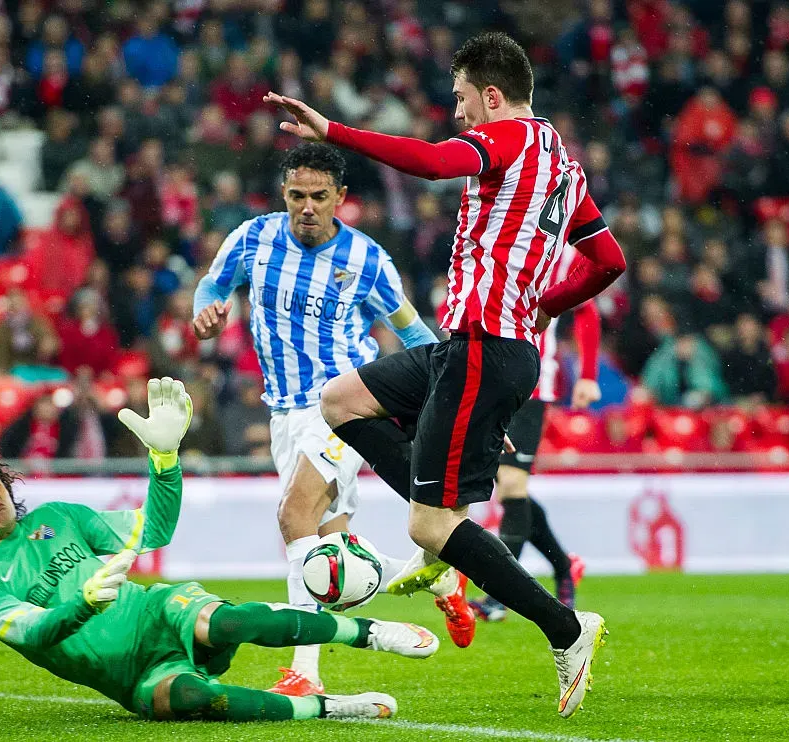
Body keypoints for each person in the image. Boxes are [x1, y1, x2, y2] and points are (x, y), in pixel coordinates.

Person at [265, 31, 626, 718]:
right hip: (475, 345)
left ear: (492, 96)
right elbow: (608, 261)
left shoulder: (510, 139)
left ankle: (565, 628)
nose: (457, 113)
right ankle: (447, 527)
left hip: (486, 347)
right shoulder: (565, 166)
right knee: (340, 400)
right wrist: (548, 306)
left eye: (461, 99)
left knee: (428, 528)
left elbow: (432, 164)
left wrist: (331, 128)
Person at [0, 377, 437, 722]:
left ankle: (370, 633)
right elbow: (32, 630)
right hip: (132, 677)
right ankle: (326, 709)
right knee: (194, 700)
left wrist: (164, 460)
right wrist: (82, 603)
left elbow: (153, 530)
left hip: (157, 613)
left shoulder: (57, 518)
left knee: (228, 622)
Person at [192, 143, 473, 698]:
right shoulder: (253, 238)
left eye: (320, 197)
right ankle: (438, 576)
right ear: (284, 194)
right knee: (330, 548)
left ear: (341, 199)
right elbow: (213, 284)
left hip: (342, 407)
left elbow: (417, 336)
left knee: (295, 518)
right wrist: (206, 310)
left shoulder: (368, 261)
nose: (307, 207)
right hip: (282, 413)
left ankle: (304, 672)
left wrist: (459, 394)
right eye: (297, 195)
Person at [471, 243, 600, 623]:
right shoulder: (491, 237)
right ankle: (564, 567)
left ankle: (498, 594)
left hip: (532, 382)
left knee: (511, 486)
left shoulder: (567, 253)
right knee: (513, 491)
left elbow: (586, 308)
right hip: (488, 381)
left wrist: (588, 375)